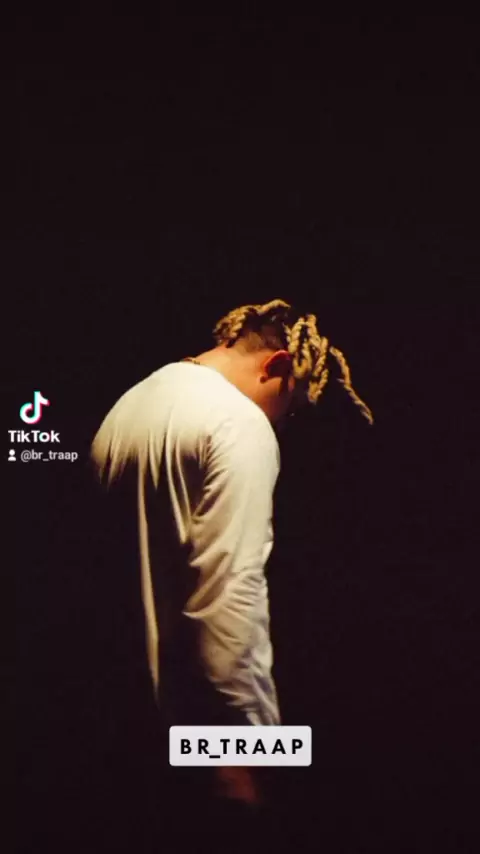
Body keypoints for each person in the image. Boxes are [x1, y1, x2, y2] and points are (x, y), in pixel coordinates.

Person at [90, 299, 373, 822]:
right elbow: (231, 585)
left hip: (114, 721)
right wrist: (246, 742)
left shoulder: (131, 404)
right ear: (278, 365)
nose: (282, 423)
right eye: (291, 408)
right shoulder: (238, 423)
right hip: (197, 740)